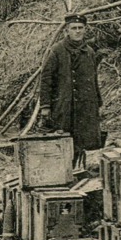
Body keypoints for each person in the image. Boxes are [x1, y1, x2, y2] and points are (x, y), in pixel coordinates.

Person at [39, 12, 102, 168]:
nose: (78, 31)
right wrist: (45, 106)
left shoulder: (89, 52)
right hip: (64, 106)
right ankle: (64, 171)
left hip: (85, 106)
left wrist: (98, 102)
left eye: (81, 28)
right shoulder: (57, 51)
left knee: (83, 140)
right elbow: (46, 79)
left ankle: (78, 170)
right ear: (66, 31)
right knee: (64, 141)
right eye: (74, 28)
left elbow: (94, 80)